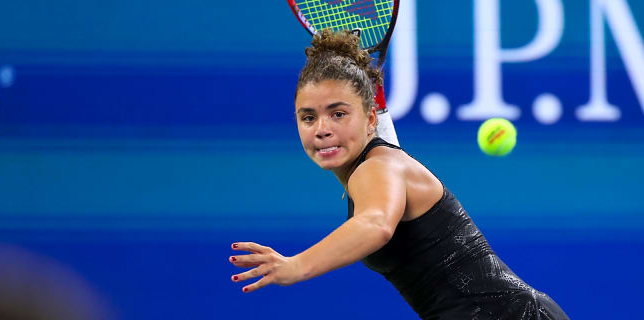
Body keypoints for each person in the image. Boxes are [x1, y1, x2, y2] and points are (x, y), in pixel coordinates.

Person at [228, 29, 569, 320]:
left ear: (370, 119)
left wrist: (296, 265)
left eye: (338, 114)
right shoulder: (380, 164)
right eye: (308, 118)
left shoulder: (378, 167)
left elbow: (376, 224)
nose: (322, 129)